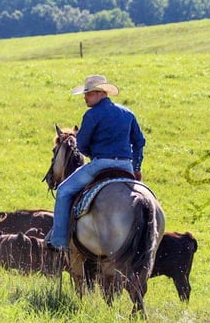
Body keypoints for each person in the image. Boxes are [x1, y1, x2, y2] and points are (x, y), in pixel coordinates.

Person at [46, 74, 146, 250]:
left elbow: (82, 145)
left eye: (89, 93)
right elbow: (139, 142)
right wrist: (136, 167)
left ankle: (58, 241)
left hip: (100, 164)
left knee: (63, 191)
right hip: (126, 166)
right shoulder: (128, 114)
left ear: (101, 93)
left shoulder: (92, 115)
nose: (85, 97)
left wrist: (95, 154)